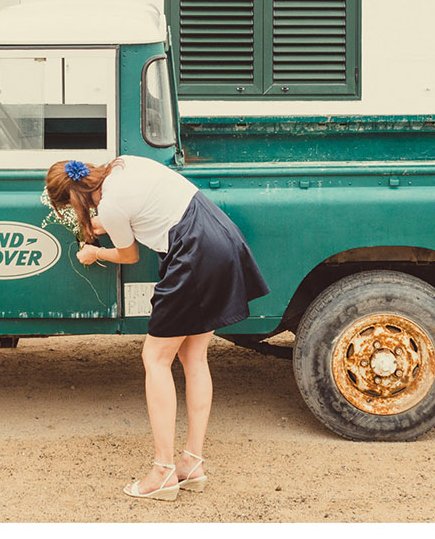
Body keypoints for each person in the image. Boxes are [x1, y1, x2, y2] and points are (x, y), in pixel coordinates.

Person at [44, 155, 269, 502]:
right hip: (219, 237)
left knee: (155, 358)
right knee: (193, 356)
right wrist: (104, 224)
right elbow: (142, 210)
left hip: (192, 254)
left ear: (74, 199)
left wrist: (94, 254)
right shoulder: (123, 165)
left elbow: (128, 255)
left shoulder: (114, 206)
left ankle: (163, 471)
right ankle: (192, 463)